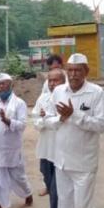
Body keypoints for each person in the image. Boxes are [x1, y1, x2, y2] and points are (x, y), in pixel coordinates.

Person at [44, 53, 104, 208]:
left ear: (86, 72)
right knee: (66, 207)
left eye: (77, 70)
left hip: (85, 162)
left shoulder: (96, 93)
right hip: (61, 160)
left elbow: (101, 125)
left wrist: (75, 116)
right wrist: (60, 118)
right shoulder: (59, 91)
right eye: (69, 70)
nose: (73, 74)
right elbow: (49, 120)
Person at [0, 73, 33, 208]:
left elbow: (23, 125)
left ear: (11, 85)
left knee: (18, 177)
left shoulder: (19, 103)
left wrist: (8, 121)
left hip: (10, 148)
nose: (0, 86)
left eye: (3, 84)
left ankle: (28, 194)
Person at [32, 69, 66, 208]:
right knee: (48, 180)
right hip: (45, 149)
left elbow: (63, 123)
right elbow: (35, 120)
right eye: (50, 80)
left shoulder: (67, 99)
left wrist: (48, 118)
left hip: (60, 151)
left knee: (56, 188)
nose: (52, 84)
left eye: (56, 80)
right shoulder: (43, 98)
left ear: (63, 81)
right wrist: (44, 120)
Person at [39, 54, 65, 196]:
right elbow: (40, 105)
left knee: (58, 167)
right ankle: (49, 186)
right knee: (45, 166)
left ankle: (55, 189)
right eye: (51, 69)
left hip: (60, 135)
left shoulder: (67, 82)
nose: (52, 82)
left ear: (61, 66)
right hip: (46, 135)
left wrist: (51, 118)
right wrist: (43, 118)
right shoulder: (47, 85)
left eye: (56, 67)